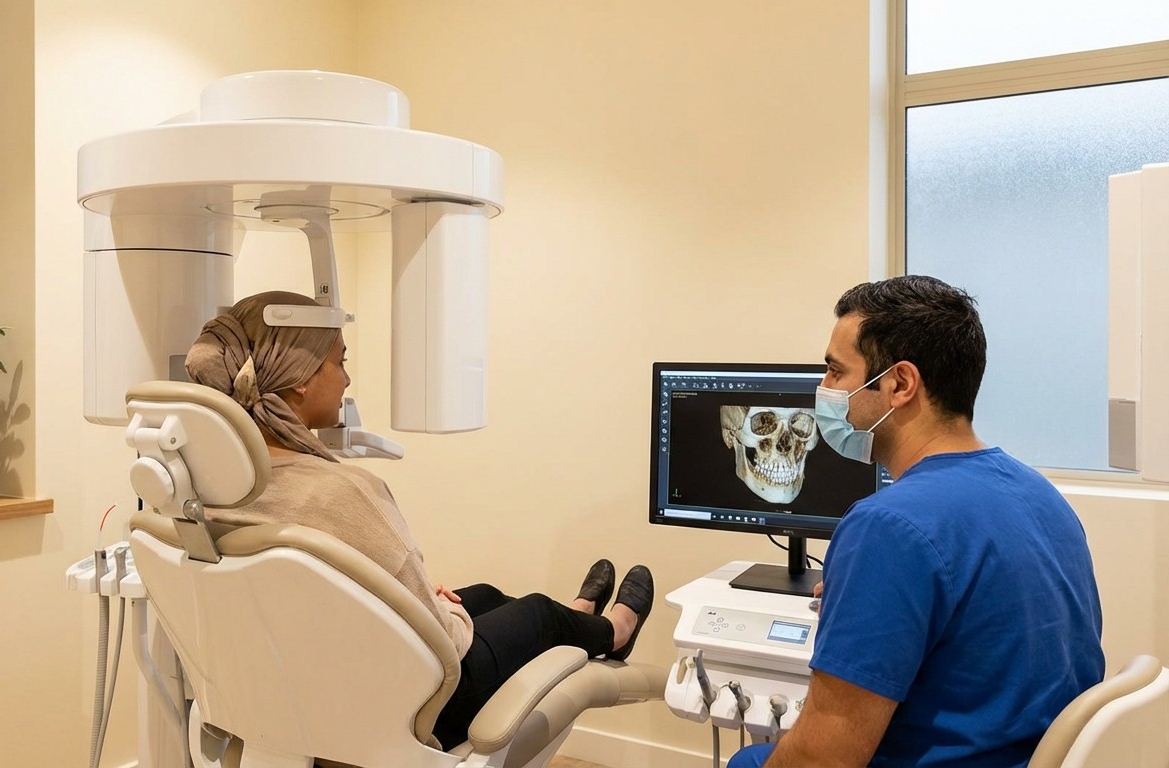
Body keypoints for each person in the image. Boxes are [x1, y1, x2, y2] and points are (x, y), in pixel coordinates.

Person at [183, 290, 655, 750]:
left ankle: (582, 618)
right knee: (538, 613)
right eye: (340, 362)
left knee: (486, 595)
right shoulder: (341, 491)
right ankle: (612, 633)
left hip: (310, 685)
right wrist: (438, 607)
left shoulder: (206, 490)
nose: (347, 380)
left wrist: (425, 597)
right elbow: (442, 637)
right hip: (416, 703)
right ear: (301, 378)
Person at [731, 275, 1103, 768]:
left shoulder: (888, 526)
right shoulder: (1038, 492)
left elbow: (821, 761)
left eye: (835, 371)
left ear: (900, 384)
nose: (823, 389)